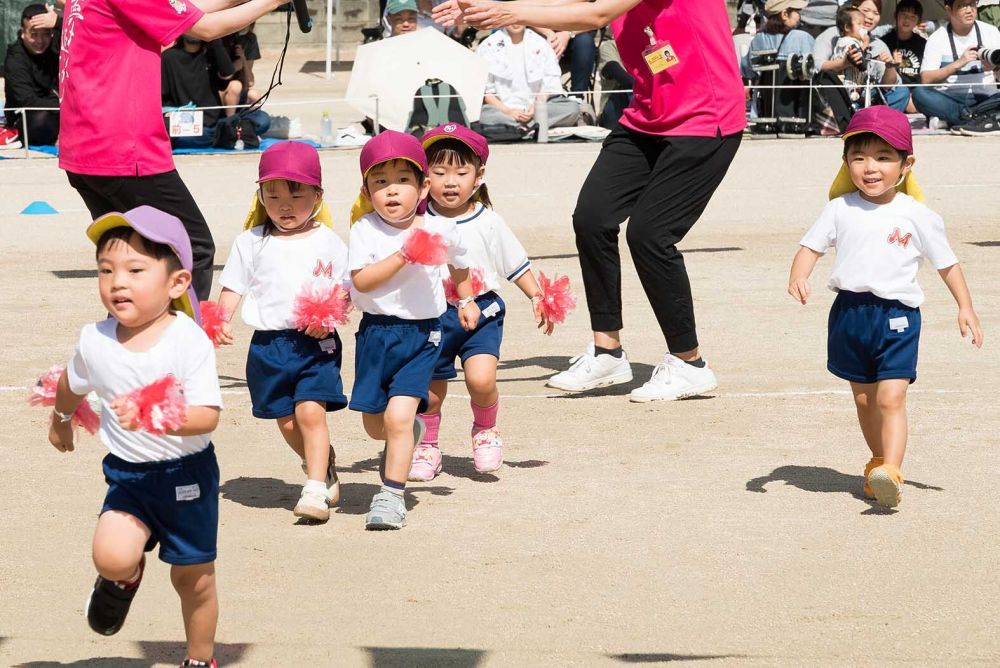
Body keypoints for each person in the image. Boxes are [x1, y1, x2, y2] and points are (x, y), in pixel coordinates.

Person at [436, 0, 744, 401]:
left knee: (650, 234)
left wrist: (510, 13)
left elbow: (595, 16)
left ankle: (689, 362)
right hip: (648, 118)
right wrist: (486, 11)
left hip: (706, 118)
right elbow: (574, 4)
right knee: (593, 218)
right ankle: (608, 351)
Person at [47, 206, 224, 668]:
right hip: (129, 476)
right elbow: (72, 380)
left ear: (178, 283)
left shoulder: (188, 340)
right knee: (110, 557)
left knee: (193, 581)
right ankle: (123, 579)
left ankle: (200, 658)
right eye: (106, 271)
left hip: (187, 477)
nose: (117, 282)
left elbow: (207, 416)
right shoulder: (95, 339)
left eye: (135, 270)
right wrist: (62, 417)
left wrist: (158, 413)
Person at [787, 106, 983, 509]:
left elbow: (947, 264)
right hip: (848, 314)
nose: (869, 167)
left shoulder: (918, 215)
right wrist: (799, 274)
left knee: (891, 398)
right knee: (863, 400)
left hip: (896, 317)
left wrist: (965, 307)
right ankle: (878, 463)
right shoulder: (839, 207)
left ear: (906, 164)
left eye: (882, 157)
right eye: (858, 157)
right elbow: (811, 247)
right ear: (845, 162)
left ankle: (892, 470)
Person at [58, 0, 292, 304]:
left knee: (134, 257)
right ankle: (176, 344)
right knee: (190, 247)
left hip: (85, 148)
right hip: (122, 148)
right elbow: (207, 28)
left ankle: (128, 344)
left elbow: (185, 5)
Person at [408, 123, 555, 481]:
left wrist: (537, 294)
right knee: (431, 390)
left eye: (461, 172)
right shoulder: (416, 220)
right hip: (431, 314)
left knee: (481, 379)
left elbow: (514, 263)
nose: (451, 181)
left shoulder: (488, 221)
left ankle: (485, 431)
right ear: (424, 176)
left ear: (479, 175)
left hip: (483, 311)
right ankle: (427, 446)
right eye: (439, 172)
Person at [348, 130, 479, 529]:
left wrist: (467, 298)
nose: (392, 191)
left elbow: (458, 261)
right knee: (376, 425)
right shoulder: (363, 230)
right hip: (375, 334)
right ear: (367, 190)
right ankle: (414, 430)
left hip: (423, 336)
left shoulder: (439, 228)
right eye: (380, 182)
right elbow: (363, 282)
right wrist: (405, 254)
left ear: (423, 186)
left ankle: (391, 496)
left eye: (403, 181)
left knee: (398, 418)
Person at [211, 142, 347, 523]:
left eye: (296, 194)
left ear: (318, 195)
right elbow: (233, 285)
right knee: (287, 421)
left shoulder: (329, 242)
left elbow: (345, 290)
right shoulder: (250, 242)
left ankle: (315, 490)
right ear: (260, 196)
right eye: (273, 195)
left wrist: (330, 315)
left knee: (310, 412)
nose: (284, 205)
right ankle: (320, 461)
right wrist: (220, 318)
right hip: (268, 347)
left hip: (315, 342)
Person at [914, 0, 1000, 134]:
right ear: (948, 10)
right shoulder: (937, 38)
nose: (969, 10)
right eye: (962, 6)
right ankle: (982, 118)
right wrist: (958, 63)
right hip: (950, 100)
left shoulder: (991, 32)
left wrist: (995, 68)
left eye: (972, 4)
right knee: (919, 95)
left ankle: (963, 119)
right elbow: (926, 79)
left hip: (986, 98)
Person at [477, 23, 581, 131]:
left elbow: (550, 83)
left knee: (572, 109)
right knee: (484, 115)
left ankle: (517, 128)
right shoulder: (488, 45)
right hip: (503, 111)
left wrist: (536, 107)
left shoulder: (540, 43)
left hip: (535, 110)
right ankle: (530, 127)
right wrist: (508, 112)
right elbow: (486, 93)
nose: (516, 23)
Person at [740, 0, 816, 136]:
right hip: (796, 113)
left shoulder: (758, 38)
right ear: (785, 14)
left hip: (766, 112)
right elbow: (814, 71)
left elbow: (747, 69)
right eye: (797, 11)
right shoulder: (802, 37)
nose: (800, 15)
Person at [3, 4, 60, 147]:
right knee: (41, 121)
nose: (40, 41)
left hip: (57, 107)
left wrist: (58, 22)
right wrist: (65, 106)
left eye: (46, 34)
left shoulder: (55, 46)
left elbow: (84, 37)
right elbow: (28, 101)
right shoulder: (15, 59)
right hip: (27, 116)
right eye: (34, 34)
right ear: (23, 33)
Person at [880, 0, 927, 111]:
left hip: (917, 92)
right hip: (893, 91)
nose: (907, 20)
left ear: (918, 21)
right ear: (895, 15)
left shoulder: (923, 44)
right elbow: (883, 82)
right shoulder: (884, 42)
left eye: (913, 17)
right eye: (904, 15)